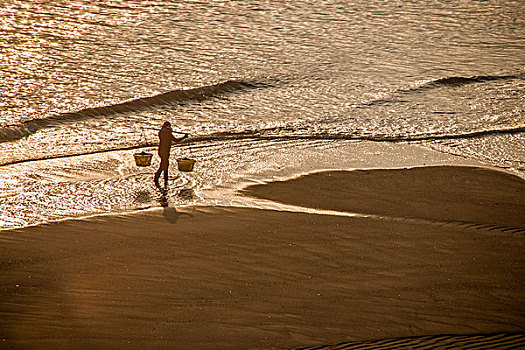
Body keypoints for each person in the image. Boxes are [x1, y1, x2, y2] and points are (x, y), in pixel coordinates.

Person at [154, 121, 188, 187]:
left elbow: (175, 139)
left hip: (163, 151)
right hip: (163, 151)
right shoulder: (163, 133)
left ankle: (160, 178)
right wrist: (184, 137)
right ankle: (160, 177)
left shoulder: (166, 133)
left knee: (164, 164)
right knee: (165, 164)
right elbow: (176, 140)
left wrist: (169, 131)